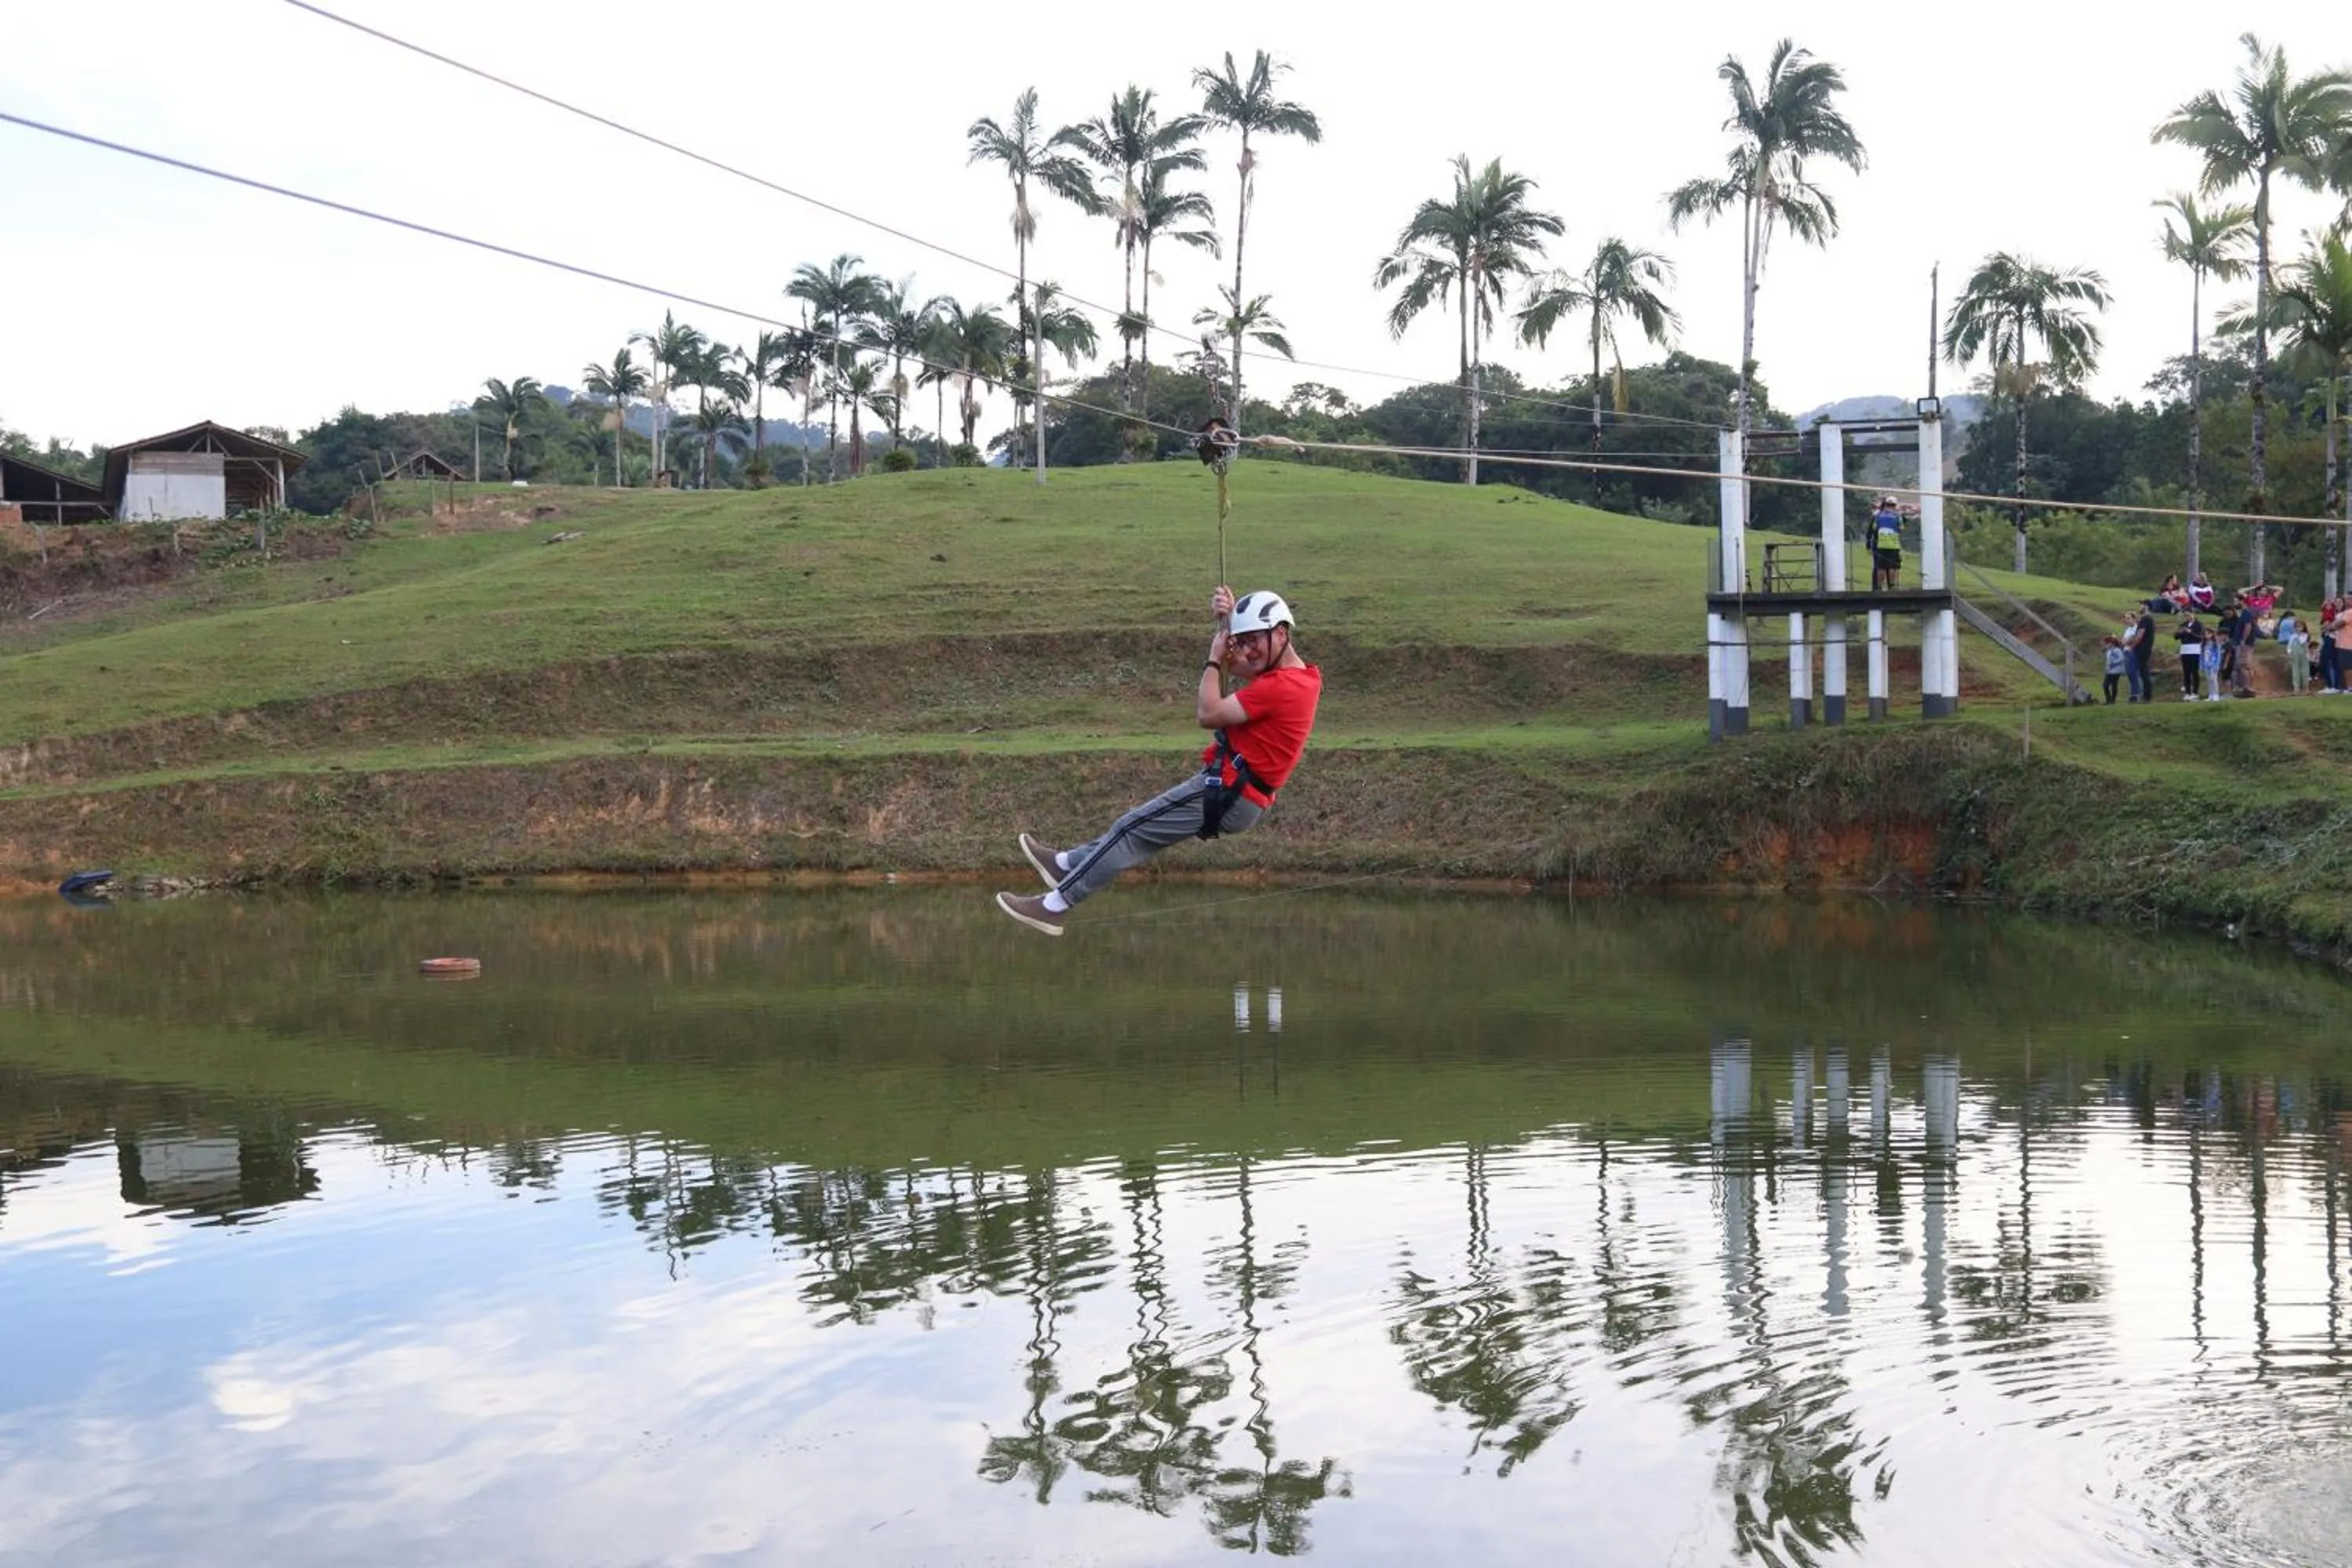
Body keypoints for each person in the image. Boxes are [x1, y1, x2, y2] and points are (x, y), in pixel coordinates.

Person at [996, 585, 1323, 936]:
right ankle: (1067, 864)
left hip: (1230, 791)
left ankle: (1054, 906)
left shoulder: (1281, 687)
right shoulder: (1295, 678)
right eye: (1242, 641)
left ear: (1281, 633)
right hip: (1235, 792)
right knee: (1136, 832)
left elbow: (1209, 711)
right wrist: (1226, 623)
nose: (1247, 650)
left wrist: (1214, 657)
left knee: (1130, 830)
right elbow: (1242, 665)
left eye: (1254, 639)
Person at [1870, 496, 1903, 590]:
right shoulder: (1897, 516)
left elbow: (1875, 528)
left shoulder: (1879, 516)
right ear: (1895, 505)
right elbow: (1901, 528)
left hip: (1881, 545)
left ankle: (1879, 587)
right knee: (1893, 566)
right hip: (1894, 545)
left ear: (1886, 504)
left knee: (1881, 567)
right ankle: (1892, 586)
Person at [2129, 604, 2157, 702]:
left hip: (2142, 649)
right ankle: (2146, 694)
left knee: (2144, 671)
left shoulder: (2145, 620)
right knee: (2144, 671)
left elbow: (2140, 636)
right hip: (2146, 648)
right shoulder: (2150, 620)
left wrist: (2133, 646)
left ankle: (2147, 695)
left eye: (2141, 605)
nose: (2139, 606)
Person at [2176, 615, 2207, 699]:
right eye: (2186, 615)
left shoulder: (2199, 625)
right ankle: (2187, 692)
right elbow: (2176, 636)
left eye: (2189, 615)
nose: (2187, 617)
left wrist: (2190, 632)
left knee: (2194, 671)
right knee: (2186, 672)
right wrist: (2182, 631)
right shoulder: (2184, 625)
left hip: (2194, 650)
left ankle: (2195, 692)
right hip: (2185, 650)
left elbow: (2200, 638)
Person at [2281, 609, 2310, 695]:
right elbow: (2289, 646)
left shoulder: (2305, 635)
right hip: (2294, 654)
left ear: (2304, 627)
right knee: (2295, 671)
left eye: (2300, 627)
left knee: (2305, 671)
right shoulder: (2292, 636)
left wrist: (2298, 636)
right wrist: (2289, 652)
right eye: (2297, 627)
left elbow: (2303, 642)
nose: (2298, 629)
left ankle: (2305, 687)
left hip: (2304, 655)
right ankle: (2296, 688)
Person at [2100, 635, 2125, 704]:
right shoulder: (2108, 651)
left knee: (2107, 685)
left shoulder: (2117, 650)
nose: (2105, 646)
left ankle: (2110, 700)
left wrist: (2113, 663)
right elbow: (2108, 660)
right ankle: (2111, 700)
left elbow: (2121, 659)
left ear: (2111, 644)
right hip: (2110, 671)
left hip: (2116, 671)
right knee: (2110, 685)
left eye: (2106, 644)